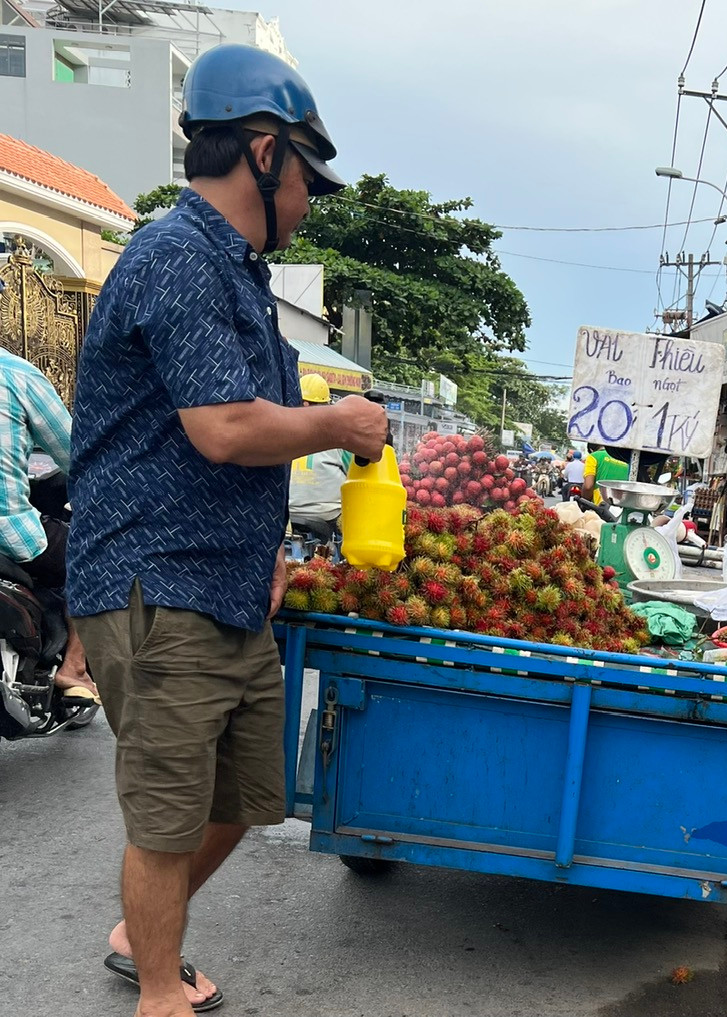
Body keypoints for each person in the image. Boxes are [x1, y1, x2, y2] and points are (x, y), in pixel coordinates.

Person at [66, 43, 388, 1017]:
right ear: (263, 152)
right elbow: (224, 429)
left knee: (247, 798)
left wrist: (277, 550)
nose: (309, 200)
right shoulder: (177, 258)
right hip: (158, 586)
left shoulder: (239, 274)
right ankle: (158, 992)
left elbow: (240, 440)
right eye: (308, 177)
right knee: (167, 815)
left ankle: (140, 934)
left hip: (226, 584)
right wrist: (341, 423)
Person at [0, 347, 97, 699]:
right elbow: (77, 456)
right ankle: (74, 667)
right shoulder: (17, 374)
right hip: (8, 533)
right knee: (92, 560)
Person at [288, 373, 352, 544]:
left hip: (285, 515)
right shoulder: (339, 438)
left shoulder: (283, 433)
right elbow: (354, 475)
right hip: (328, 517)